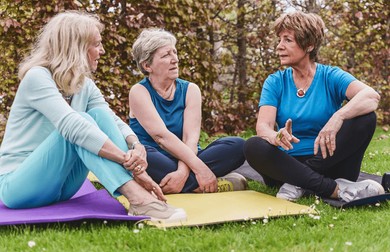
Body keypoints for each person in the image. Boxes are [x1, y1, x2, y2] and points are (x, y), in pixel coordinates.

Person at [0, 11, 186, 223]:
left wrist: (136, 146)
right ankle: (137, 198)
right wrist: (127, 163)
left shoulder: (84, 84)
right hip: (18, 187)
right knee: (81, 123)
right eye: (96, 44)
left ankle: (137, 193)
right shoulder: (37, 77)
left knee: (97, 114)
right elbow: (72, 126)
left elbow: (110, 118)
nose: (102, 50)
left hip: (62, 188)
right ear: (76, 47)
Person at [244, 11, 384, 202]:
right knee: (253, 145)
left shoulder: (330, 76)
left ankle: (299, 183)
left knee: (366, 117)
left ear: (309, 45)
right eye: (279, 40)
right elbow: (263, 127)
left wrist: (339, 117)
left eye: (288, 40)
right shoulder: (275, 82)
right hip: (288, 166)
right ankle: (334, 189)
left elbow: (371, 96)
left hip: (331, 163)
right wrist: (275, 137)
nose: (279, 47)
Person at [129, 28, 247, 194]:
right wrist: (200, 169)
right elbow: (161, 137)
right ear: (147, 65)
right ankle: (206, 184)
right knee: (141, 157)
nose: (175, 59)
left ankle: (176, 185)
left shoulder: (191, 89)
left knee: (238, 145)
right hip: (155, 158)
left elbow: (190, 139)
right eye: (166, 55)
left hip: (187, 157)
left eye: (174, 52)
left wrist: (183, 172)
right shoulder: (139, 92)